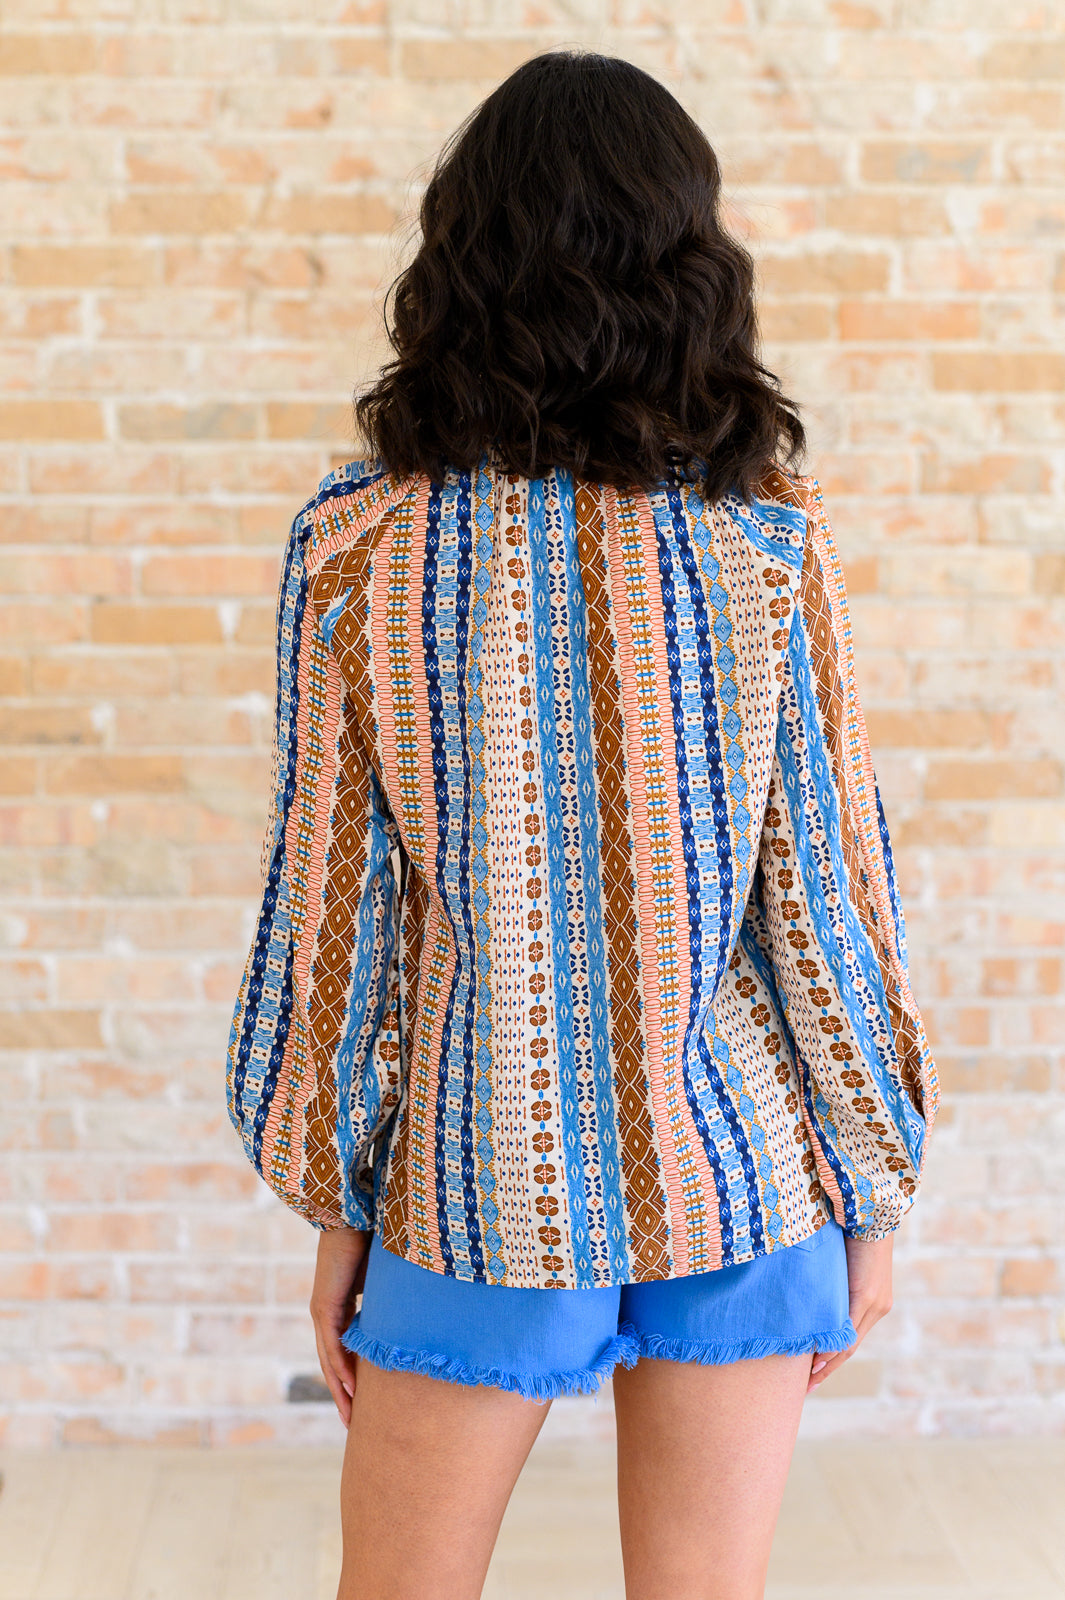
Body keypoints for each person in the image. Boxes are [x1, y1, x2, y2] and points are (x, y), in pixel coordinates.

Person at [226, 49, 939, 1600]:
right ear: (689, 257)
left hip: (477, 1171)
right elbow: (823, 892)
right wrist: (868, 1188)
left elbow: (334, 909)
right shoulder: (761, 540)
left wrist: (336, 1200)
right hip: (740, 1170)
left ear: (458, 256)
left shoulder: (355, 548)